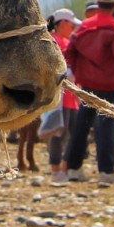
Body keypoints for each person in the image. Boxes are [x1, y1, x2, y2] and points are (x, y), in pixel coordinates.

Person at [63, 0, 114, 184]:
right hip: (111, 85)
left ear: (98, 4)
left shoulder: (84, 27)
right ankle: (106, 171)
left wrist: (77, 72)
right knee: (107, 127)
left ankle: (73, 169)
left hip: (87, 84)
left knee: (82, 126)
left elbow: (69, 52)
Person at [44, 10, 80, 182]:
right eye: (71, 24)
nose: (72, 27)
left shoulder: (66, 42)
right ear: (62, 23)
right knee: (59, 133)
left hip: (71, 97)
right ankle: (56, 168)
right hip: (60, 97)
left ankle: (64, 167)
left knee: (71, 134)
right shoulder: (54, 42)